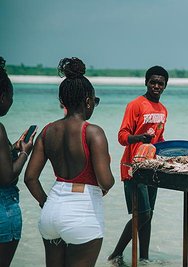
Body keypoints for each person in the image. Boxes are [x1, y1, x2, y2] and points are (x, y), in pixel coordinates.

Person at [24, 57, 115, 267]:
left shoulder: (47, 131)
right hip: (82, 214)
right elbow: (106, 182)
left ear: (62, 102)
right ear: (88, 101)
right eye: (95, 101)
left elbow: (30, 178)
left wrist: (45, 203)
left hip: (51, 211)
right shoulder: (93, 132)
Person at [108, 66, 169, 265]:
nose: (156, 86)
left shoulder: (163, 110)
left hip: (152, 168)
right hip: (133, 168)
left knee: (149, 214)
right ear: (146, 82)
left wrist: (170, 153)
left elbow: (159, 140)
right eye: (153, 82)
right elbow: (122, 137)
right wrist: (140, 138)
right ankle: (115, 254)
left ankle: (144, 258)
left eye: (160, 83)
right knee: (141, 214)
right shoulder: (135, 105)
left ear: (165, 86)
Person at [0, 57, 36, 267]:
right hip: (3, 209)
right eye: (11, 97)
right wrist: (24, 153)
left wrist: (11, 149)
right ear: (3, 96)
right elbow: (6, 177)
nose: (11, 102)